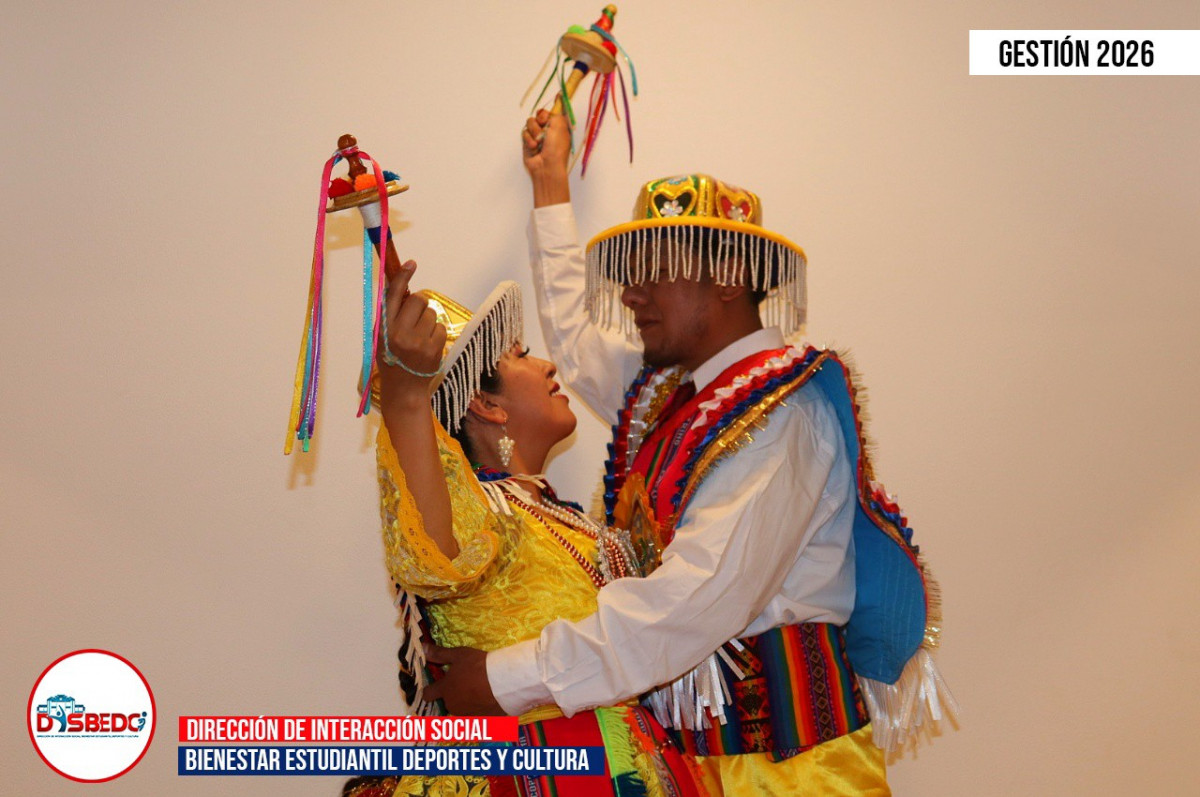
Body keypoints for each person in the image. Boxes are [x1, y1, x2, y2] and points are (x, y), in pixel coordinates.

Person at [423, 111, 955, 795]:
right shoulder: (677, 400)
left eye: (653, 271)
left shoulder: (780, 411)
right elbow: (577, 339)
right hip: (697, 763)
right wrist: (551, 189)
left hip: (788, 770)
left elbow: (689, 601)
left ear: (731, 276)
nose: (629, 292)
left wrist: (505, 678)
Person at [344, 261, 706, 797]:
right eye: (519, 354)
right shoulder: (476, 511)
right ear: (487, 405)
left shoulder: (579, 521)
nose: (546, 364)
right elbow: (433, 558)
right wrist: (408, 399)